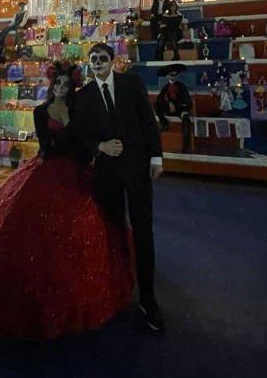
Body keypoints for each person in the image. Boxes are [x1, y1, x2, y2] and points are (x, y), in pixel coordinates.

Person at [0, 61, 134, 339]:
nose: (63, 89)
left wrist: (85, 145)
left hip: (77, 171)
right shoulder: (41, 111)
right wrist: (78, 143)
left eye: (67, 85)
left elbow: (81, 140)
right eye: (58, 84)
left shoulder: (79, 109)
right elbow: (48, 147)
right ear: (52, 85)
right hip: (49, 170)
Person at [75, 43, 165, 331]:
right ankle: (115, 290)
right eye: (93, 59)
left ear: (113, 61)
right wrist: (99, 146)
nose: (98, 63)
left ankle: (148, 298)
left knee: (143, 232)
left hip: (137, 168)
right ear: (89, 64)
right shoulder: (84, 96)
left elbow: (148, 122)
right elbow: (81, 137)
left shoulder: (131, 83)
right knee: (112, 232)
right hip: (106, 174)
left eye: (103, 58)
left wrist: (156, 156)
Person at [155, 63, 193, 153]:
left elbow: (187, 101)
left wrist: (181, 108)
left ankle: (185, 147)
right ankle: (164, 123)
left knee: (186, 120)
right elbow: (159, 100)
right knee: (157, 107)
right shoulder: (165, 88)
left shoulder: (182, 86)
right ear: (167, 76)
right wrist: (168, 103)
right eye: (172, 75)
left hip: (180, 110)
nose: (174, 77)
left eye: (176, 75)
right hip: (168, 110)